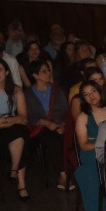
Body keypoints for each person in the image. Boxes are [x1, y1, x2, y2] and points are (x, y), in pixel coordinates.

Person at [75, 80, 106, 211]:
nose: (91, 96)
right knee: (91, 173)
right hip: (92, 153)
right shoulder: (83, 117)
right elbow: (83, 145)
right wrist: (103, 144)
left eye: (93, 91)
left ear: (100, 91)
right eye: (86, 94)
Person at [24, 60, 68, 189]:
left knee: (63, 135)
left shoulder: (57, 90)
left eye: (49, 70)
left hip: (58, 124)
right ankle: (63, 175)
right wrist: (45, 122)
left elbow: (66, 111)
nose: (49, 73)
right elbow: (28, 117)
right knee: (51, 137)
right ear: (35, 75)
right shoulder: (28, 94)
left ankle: (67, 173)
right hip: (39, 127)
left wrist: (62, 125)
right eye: (44, 71)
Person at [0, 58, 30, 200]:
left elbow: (23, 118)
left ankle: (14, 170)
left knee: (20, 133)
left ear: (7, 72)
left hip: (9, 127)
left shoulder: (16, 90)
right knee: (19, 136)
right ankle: (20, 184)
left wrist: (4, 121)